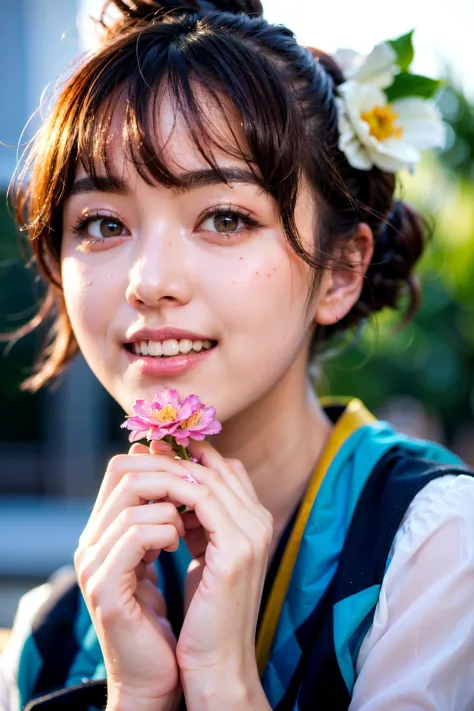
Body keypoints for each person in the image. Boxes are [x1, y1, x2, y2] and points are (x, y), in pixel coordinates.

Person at [1, 1, 474, 709]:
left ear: (341, 269)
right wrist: (136, 693)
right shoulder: (55, 628)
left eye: (225, 217)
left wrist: (224, 684)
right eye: (102, 223)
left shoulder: (438, 552)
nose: (149, 281)